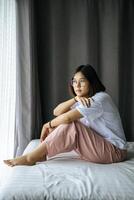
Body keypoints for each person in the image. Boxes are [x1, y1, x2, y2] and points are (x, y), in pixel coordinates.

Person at [4, 64, 127, 167]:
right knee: (62, 125)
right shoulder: (83, 100)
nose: (77, 85)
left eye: (82, 81)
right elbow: (57, 112)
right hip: (101, 148)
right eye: (74, 81)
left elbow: (67, 118)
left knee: (72, 124)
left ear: (91, 82)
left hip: (114, 151)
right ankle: (41, 154)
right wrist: (75, 99)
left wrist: (47, 125)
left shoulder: (99, 99)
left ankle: (31, 157)